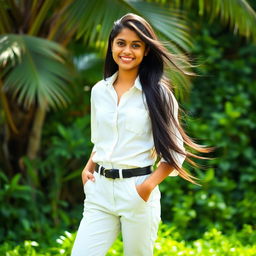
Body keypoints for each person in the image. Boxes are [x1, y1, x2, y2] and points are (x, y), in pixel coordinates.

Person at [71, 13, 210, 256]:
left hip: (136, 192)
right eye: (121, 43)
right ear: (112, 46)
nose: (127, 50)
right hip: (99, 193)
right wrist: (87, 169)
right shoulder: (98, 91)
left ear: (146, 51)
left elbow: (175, 153)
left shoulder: (159, 94)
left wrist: (145, 189)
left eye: (136, 45)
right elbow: (102, 141)